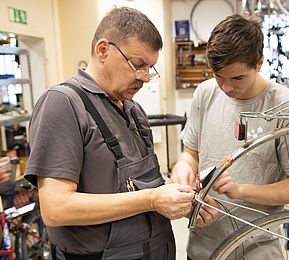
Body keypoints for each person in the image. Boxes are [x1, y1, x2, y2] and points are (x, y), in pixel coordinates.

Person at [24, 7, 194, 260]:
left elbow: (134, 183)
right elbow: (56, 208)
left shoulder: (133, 110)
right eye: (137, 65)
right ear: (103, 50)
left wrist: (179, 194)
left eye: (150, 68)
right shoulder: (63, 104)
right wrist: (151, 199)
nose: (145, 77)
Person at [171, 14, 289, 259]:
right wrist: (182, 169)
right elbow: (190, 154)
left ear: (259, 63)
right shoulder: (205, 94)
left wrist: (240, 190)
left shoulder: (287, 106)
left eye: (238, 78)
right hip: (203, 248)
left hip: (257, 248)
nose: (227, 87)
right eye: (219, 76)